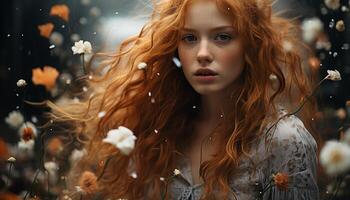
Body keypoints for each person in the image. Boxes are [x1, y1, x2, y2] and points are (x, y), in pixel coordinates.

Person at [51, 0, 320, 199]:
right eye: (189, 38)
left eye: (222, 37)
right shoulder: (153, 129)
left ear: (250, 45)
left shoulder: (282, 140)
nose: (202, 53)